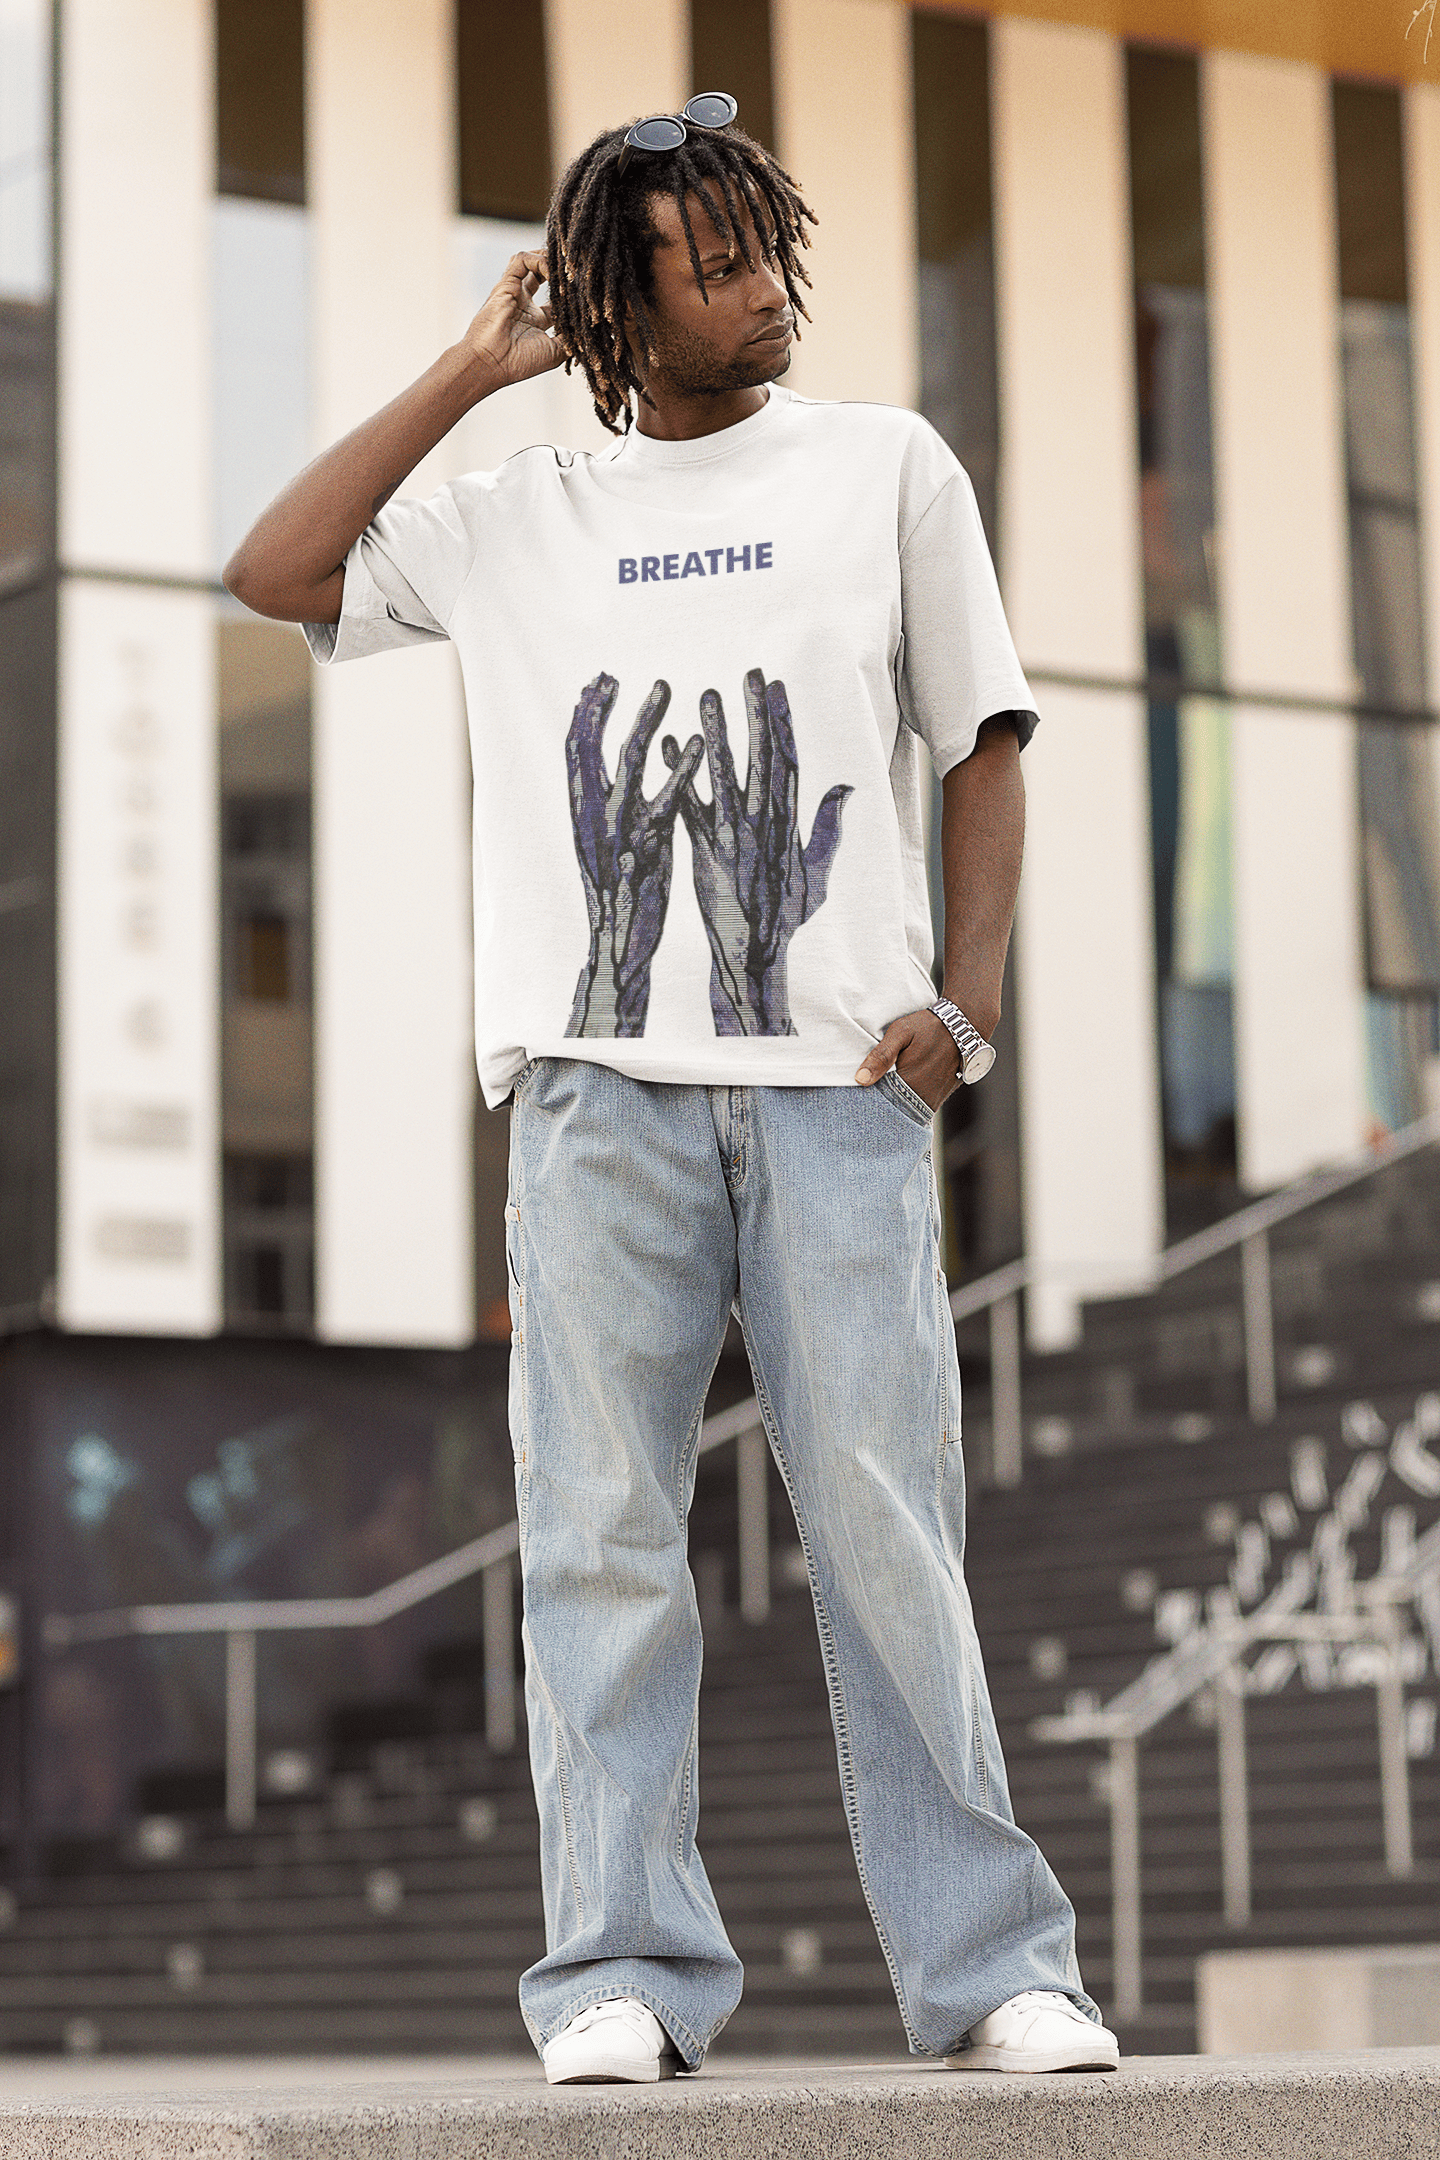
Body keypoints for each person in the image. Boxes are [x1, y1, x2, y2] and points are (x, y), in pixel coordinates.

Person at [225, 96, 1119, 2085]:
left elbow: (983, 736)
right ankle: (621, 1974)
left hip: (832, 1093)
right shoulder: (516, 512)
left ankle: (989, 1975)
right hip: (595, 1103)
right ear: (618, 297)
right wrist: (471, 368)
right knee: (602, 1542)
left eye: (763, 241)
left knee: (891, 1533)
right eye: (708, 256)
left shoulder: (888, 467)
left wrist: (961, 1010)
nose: (760, 276)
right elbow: (274, 568)